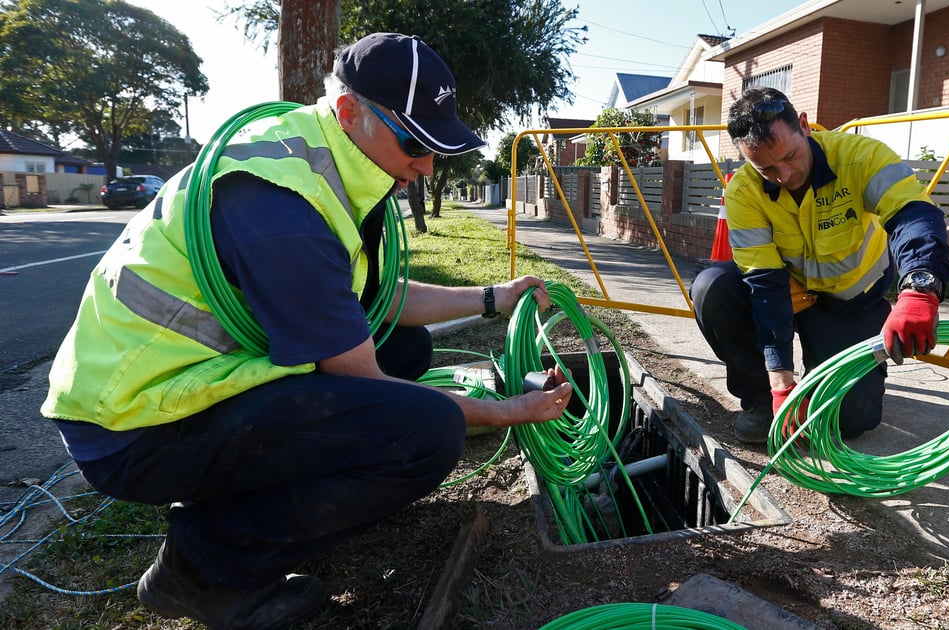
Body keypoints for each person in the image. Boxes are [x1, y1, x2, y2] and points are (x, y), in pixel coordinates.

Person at [41, 32, 573, 629]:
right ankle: (198, 569)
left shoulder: (320, 155)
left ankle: (265, 498)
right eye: (414, 144)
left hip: (182, 384)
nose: (424, 168)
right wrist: (511, 409)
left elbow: (370, 298)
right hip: (134, 428)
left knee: (405, 345)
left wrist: (492, 298)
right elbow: (364, 381)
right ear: (351, 113)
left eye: (436, 148)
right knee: (426, 433)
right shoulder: (280, 204)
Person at [690, 87, 949, 444]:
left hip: (849, 305)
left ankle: (823, 377)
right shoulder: (744, 192)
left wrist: (920, 288)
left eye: (789, 156)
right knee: (713, 288)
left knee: (850, 420)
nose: (783, 175)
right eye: (765, 168)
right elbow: (764, 286)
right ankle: (761, 402)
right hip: (786, 293)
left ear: (804, 126)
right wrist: (780, 386)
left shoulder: (860, 157)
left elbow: (914, 215)